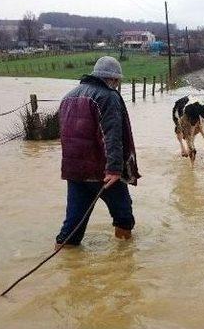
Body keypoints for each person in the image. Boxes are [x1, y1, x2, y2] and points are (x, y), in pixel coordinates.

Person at [55, 56, 140, 248]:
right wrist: (115, 169)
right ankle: (124, 262)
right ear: (114, 79)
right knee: (124, 216)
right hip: (102, 172)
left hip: (74, 171)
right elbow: (112, 135)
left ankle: (64, 264)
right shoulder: (108, 97)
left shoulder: (69, 96)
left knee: (72, 228)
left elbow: (64, 136)